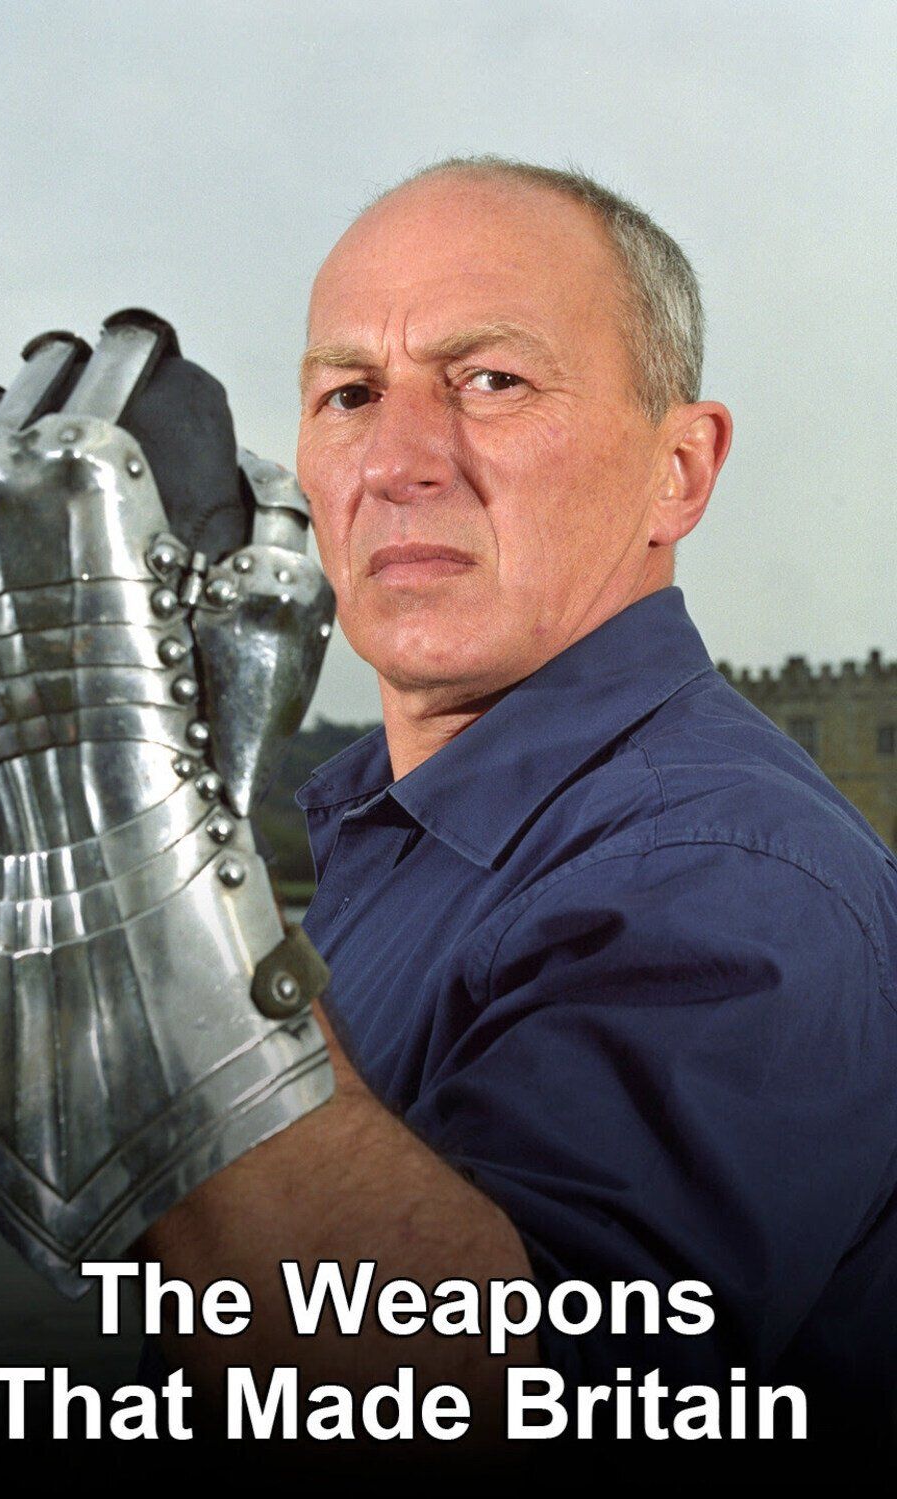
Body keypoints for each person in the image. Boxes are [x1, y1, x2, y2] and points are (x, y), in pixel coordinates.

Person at [141, 157, 897, 1454]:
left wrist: (110, 796)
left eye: (492, 380)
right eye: (349, 394)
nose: (396, 462)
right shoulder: (406, 830)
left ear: (679, 470)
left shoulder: (723, 872)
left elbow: (502, 1414)